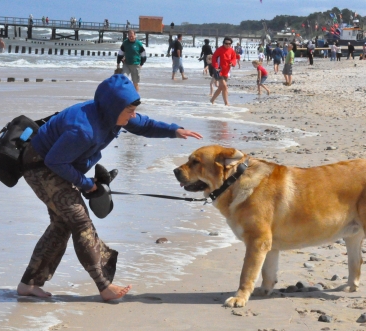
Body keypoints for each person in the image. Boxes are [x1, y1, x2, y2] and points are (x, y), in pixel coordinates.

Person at [18, 74, 203, 301]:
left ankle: (29, 284)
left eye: (133, 110)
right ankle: (105, 286)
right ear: (114, 107)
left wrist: (174, 130)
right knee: (79, 221)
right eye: (129, 111)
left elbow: (143, 123)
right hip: (40, 167)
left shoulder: (113, 114)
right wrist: (86, 184)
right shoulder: (83, 129)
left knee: (61, 224)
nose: (133, 116)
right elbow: (54, 162)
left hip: (59, 164)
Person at [210, 37, 237, 106]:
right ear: (223, 43)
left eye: (229, 44)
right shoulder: (219, 50)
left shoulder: (232, 50)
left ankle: (212, 99)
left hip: (227, 71)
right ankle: (226, 103)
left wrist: (232, 63)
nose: (228, 45)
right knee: (225, 86)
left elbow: (234, 58)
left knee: (221, 88)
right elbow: (214, 58)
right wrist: (216, 66)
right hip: (219, 71)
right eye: (226, 43)